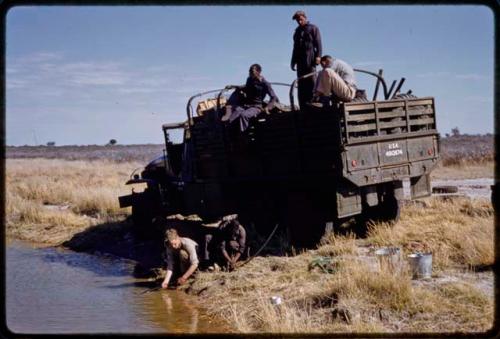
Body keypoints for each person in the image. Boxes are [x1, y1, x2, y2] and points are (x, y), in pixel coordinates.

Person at [221, 63, 279, 132]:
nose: (250, 73)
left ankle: (243, 136)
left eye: (252, 71)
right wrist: (233, 86)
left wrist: (268, 107)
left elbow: (273, 97)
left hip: (256, 107)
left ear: (258, 72)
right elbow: (246, 88)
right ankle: (232, 138)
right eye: (249, 71)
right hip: (245, 106)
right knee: (232, 117)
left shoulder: (265, 84)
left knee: (244, 115)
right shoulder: (249, 80)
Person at [291, 10, 322, 108]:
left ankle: (315, 102)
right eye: (297, 20)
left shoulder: (313, 28)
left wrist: (318, 56)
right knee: (301, 83)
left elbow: (319, 44)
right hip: (300, 62)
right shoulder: (297, 32)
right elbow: (295, 48)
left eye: (300, 19)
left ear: (305, 18)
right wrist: (292, 61)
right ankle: (303, 106)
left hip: (310, 59)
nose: (299, 22)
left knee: (312, 81)